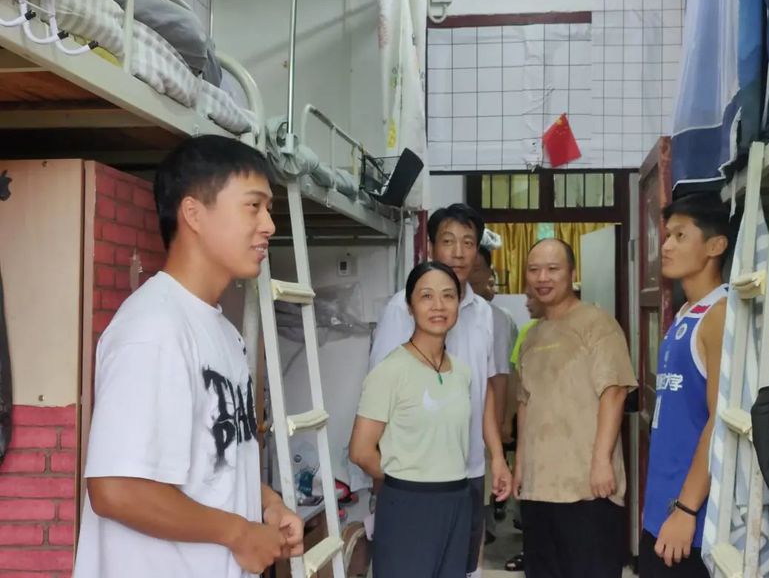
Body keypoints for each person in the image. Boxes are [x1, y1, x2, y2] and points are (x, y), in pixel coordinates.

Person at [73, 136, 303, 578]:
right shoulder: (153, 329)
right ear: (194, 214)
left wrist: (267, 504)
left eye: (268, 209)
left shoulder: (222, 331)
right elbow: (115, 489)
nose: (269, 225)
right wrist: (239, 533)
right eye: (253, 206)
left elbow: (214, 459)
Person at [369, 203, 512, 577]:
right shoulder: (401, 310)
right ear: (430, 247)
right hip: (415, 478)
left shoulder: (484, 314)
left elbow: (485, 390)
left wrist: (497, 457)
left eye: (468, 242)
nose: (459, 252)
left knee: (462, 565)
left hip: (469, 467)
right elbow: (380, 393)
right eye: (448, 241)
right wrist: (386, 475)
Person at [513, 238, 637, 578]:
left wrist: (601, 461)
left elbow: (614, 391)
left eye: (553, 269)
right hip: (540, 487)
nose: (542, 278)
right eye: (534, 270)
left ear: (572, 273)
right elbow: (525, 403)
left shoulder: (597, 323)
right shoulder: (532, 336)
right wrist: (520, 464)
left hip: (587, 488)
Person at [350, 261, 473, 578]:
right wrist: (405, 479)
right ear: (409, 306)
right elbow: (361, 451)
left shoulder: (462, 372)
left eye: (448, 296)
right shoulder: (390, 371)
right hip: (407, 504)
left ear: (458, 303)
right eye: (426, 296)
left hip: (457, 502)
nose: (438, 305)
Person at [640, 193, 730, 577]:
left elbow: (720, 419)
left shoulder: (720, 315)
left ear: (715, 245)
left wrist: (687, 509)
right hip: (662, 506)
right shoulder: (685, 312)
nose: (666, 246)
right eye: (667, 235)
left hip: (690, 518)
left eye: (680, 236)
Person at [468, 246, 518, 541]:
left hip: (487, 413)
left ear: (489, 273)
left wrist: (501, 424)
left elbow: (501, 374)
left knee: (486, 474)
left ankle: (484, 529)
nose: (471, 274)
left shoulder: (496, 317)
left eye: (478, 268)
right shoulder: (445, 311)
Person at [502, 289, 544, 573]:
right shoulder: (528, 333)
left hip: (563, 434)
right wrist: (507, 421)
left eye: (532, 298)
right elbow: (515, 380)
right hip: (530, 426)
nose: (527, 303)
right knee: (527, 489)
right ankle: (529, 550)